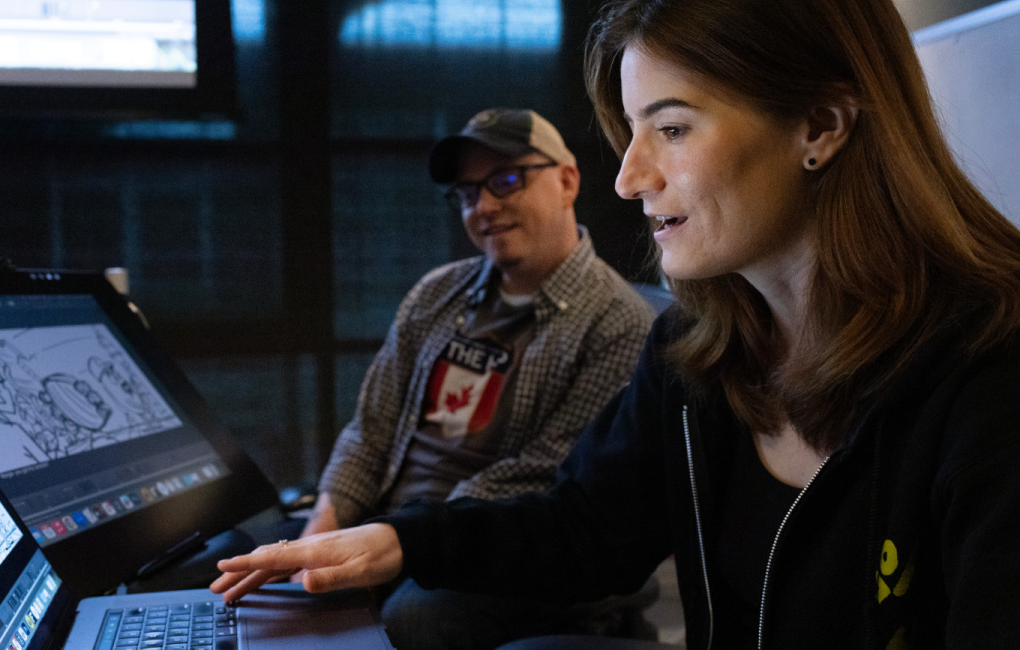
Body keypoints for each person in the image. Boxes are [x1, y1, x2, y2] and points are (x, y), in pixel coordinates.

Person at [212, 0, 1020, 647]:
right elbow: (586, 526)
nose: (631, 178)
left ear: (820, 127)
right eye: (632, 134)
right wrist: (395, 540)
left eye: (670, 128)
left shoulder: (990, 371)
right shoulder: (693, 351)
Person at [294, 107, 656, 648]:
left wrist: (399, 546)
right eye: (467, 193)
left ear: (567, 181)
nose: (484, 206)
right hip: (393, 527)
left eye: (505, 180)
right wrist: (323, 528)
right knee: (251, 567)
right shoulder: (437, 293)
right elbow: (369, 433)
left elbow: (541, 483)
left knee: (412, 618)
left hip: (493, 549)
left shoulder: (619, 324)